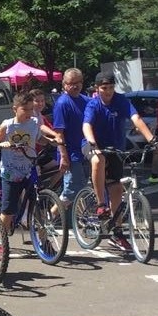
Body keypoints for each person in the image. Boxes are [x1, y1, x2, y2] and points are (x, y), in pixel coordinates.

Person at [82, 72, 158, 252]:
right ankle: (101, 204)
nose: (108, 92)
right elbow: (86, 126)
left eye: (110, 88)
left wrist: (151, 140)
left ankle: (116, 232)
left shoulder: (121, 100)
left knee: (116, 188)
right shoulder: (94, 104)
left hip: (115, 147)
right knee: (98, 160)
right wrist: (93, 143)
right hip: (92, 144)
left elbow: (136, 119)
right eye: (104, 88)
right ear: (97, 88)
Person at [0, 92, 62, 235]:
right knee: (8, 211)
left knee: (38, 207)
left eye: (31, 109)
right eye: (24, 109)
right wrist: (2, 145)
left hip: (29, 169)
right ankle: (2, 242)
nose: (29, 113)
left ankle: (44, 243)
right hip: (11, 172)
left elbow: (40, 139)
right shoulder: (8, 125)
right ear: (15, 109)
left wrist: (52, 141)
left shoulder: (34, 123)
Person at [52, 68, 91, 217]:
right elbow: (59, 133)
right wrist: (63, 156)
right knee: (71, 190)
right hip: (71, 153)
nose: (74, 86)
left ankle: (83, 219)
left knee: (82, 188)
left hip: (85, 151)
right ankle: (49, 218)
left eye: (78, 83)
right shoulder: (62, 103)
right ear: (64, 84)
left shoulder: (86, 100)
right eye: (70, 83)